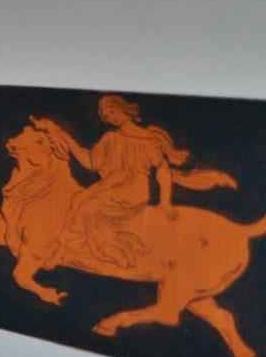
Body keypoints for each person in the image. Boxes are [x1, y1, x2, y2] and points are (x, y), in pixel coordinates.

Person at [31, 95, 235, 272]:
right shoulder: (110, 138)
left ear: (124, 109)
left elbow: (163, 171)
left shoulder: (148, 140)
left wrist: (165, 203)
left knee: (88, 208)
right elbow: (90, 162)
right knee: (79, 200)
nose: (110, 117)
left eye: (112, 111)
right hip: (111, 186)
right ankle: (65, 247)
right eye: (106, 116)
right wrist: (63, 135)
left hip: (133, 191)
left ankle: (103, 250)